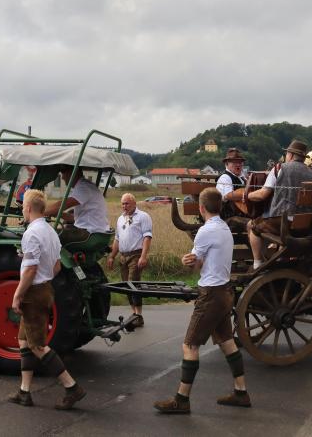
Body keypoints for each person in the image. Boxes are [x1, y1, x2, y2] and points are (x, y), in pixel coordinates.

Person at [154, 188, 249, 414]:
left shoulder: (205, 232)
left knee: (189, 345)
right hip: (225, 291)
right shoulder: (225, 228)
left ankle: (182, 400)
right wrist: (193, 259)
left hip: (211, 294)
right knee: (227, 342)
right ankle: (241, 393)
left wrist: (186, 260)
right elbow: (201, 261)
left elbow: (194, 265)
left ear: (201, 208)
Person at [8, 189, 85, 410]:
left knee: (38, 345)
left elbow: (31, 269)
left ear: (30, 208)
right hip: (45, 288)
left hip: (33, 292)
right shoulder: (50, 231)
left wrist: (18, 294)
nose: (22, 210)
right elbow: (57, 265)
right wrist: (45, 279)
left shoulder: (31, 234)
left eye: (23, 207)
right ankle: (24, 392)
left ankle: (72, 388)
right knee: (24, 341)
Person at [245, 140, 312, 270]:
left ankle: (257, 263)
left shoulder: (280, 168)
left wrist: (247, 195)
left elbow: (263, 194)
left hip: (283, 223)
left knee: (253, 226)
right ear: (303, 158)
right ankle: (277, 259)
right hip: (303, 225)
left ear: (289, 155)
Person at [106, 193, 152, 323]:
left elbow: (147, 237)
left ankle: (139, 315)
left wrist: (143, 256)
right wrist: (112, 256)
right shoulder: (121, 219)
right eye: (122, 203)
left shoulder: (143, 217)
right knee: (126, 286)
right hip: (123, 256)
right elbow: (117, 239)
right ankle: (133, 314)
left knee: (133, 284)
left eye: (127, 203)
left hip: (136, 255)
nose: (124, 206)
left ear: (134, 203)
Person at [45, 165, 110, 248]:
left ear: (72, 173)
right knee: (59, 230)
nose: (62, 177)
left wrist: (41, 211)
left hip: (90, 233)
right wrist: (56, 213)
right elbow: (76, 219)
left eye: (63, 173)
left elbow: (63, 204)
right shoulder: (85, 186)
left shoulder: (83, 187)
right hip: (95, 232)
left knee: (48, 234)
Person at [215, 148, 247, 220]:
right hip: (228, 217)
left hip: (241, 214)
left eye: (240, 162)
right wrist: (249, 195)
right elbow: (228, 196)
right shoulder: (225, 178)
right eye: (234, 162)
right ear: (226, 164)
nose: (238, 165)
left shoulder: (242, 178)